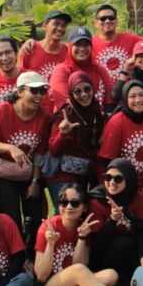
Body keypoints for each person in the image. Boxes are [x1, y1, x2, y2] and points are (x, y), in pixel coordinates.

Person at [0, 72, 50, 239]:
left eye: (43, 91)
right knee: (10, 217)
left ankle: (33, 256)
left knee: (35, 217)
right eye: (34, 91)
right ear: (20, 92)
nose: (39, 96)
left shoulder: (44, 116)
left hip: (28, 173)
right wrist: (10, 148)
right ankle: (16, 258)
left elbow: (40, 152)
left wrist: (35, 181)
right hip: (2, 173)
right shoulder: (1, 111)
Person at [87, 159, 143, 285]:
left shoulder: (136, 197)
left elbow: (141, 229)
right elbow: (96, 242)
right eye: (108, 177)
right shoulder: (97, 200)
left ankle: (124, 274)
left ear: (128, 180)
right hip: (103, 252)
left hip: (129, 248)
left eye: (118, 179)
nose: (112, 182)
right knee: (123, 241)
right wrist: (112, 220)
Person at [46, 71, 105, 208]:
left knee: (81, 212)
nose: (83, 94)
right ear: (71, 93)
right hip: (63, 174)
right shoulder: (65, 115)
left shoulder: (95, 108)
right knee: (66, 212)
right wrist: (63, 133)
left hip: (84, 172)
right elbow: (54, 150)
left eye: (87, 89)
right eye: (77, 91)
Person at [98, 79, 143, 187]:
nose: (138, 100)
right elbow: (108, 161)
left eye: (141, 95)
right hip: (118, 184)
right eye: (132, 96)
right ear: (125, 99)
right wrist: (121, 185)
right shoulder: (116, 123)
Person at [48, 26, 108, 112]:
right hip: (68, 119)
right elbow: (63, 102)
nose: (82, 49)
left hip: (96, 120)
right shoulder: (61, 70)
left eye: (86, 44)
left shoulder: (99, 69)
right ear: (70, 46)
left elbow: (110, 94)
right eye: (78, 44)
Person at [91, 3, 143, 89]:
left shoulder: (130, 39)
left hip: (126, 97)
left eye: (111, 18)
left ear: (116, 21)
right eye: (103, 18)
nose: (107, 21)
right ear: (96, 23)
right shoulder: (89, 43)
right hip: (99, 98)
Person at [18, 9, 72, 82]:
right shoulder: (30, 49)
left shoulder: (69, 52)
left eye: (63, 25)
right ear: (44, 26)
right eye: (56, 23)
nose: (60, 28)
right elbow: (19, 80)